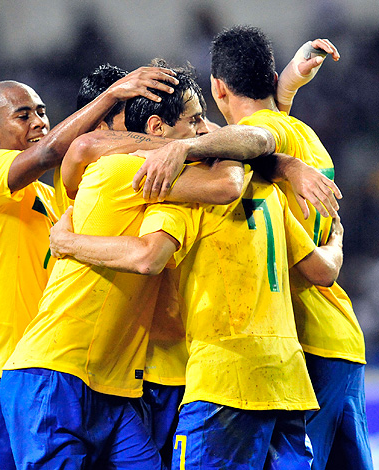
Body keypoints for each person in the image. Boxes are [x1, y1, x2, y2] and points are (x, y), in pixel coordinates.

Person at [0, 58, 312, 468]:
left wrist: (276, 150)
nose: (205, 129)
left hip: (116, 384)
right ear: (149, 127)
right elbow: (224, 185)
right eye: (195, 120)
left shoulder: (146, 171)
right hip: (55, 370)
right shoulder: (127, 170)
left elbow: (80, 152)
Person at [0, 68, 179, 470]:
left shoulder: (54, 199)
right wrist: (110, 96)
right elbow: (53, 151)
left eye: (41, 111)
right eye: (23, 115)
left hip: (50, 371)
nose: (38, 121)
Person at [210, 26, 372, 470]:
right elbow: (271, 133)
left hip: (306, 340)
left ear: (217, 87)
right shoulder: (303, 132)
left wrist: (182, 145)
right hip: (338, 334)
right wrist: (286, 90)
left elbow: (256, 139)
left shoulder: (262, 138)